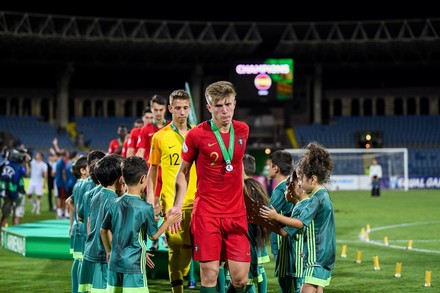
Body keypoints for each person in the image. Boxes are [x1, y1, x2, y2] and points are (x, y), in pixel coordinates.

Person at [169, 81, 251, 292]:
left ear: (234, 103)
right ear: (209, 107)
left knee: (241, 279)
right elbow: (183, 173)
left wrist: (248, 198)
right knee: (210, 274)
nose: (225, 110)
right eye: (218, 106)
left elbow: (238, 168)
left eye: (228, 104)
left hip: (235, 213)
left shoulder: (242, 130)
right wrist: (177, 205)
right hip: (207, 212)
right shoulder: (197, 134)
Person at [262, 141, 335, 293]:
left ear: (313, 179)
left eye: (302, 180)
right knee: (316, 289)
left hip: (317, 255)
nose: (300, 184)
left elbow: (300, 223)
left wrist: (276, 216)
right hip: (322, 255)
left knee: (306, 289)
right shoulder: (321, 195)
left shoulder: (317, 197)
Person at [100, 156, 181, 293]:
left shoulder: (113, 203)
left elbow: (103, 230)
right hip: (134, 265)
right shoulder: (145, 208)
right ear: (143, 179)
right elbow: (154, 236)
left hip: (114, 264)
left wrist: (109, 252)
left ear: (122, 179)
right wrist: (168, 222)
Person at [146, 89, 197, 292]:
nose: (182, 112)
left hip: (197, 201)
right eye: (178, 108)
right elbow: (153, 168)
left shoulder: (198, 134)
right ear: (170, 109)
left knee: (191, 248)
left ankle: (185, 276)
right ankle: (178, 289)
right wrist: (151, 197)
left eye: (186, 108)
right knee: (175, 248)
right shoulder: (159, 137)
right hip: (172, 204)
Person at [78, 154, 125, 293]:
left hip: (90, 252)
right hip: (104, 257)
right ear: (120, 178)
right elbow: (109, 231)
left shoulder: (96, 195)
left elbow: (88, 222)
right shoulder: (115, 201)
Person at [260, 170, 309, 293]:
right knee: (285, 286)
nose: (285, 192)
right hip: (287, 257)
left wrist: (268, 220)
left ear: (297, 188)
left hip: (297, 259)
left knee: (298, 288)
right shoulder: (295, 207)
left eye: (287, 188)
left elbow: (284, 232)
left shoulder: (304, 207)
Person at [136, 94, 170, 249]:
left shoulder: (171, 127)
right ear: (152, 109)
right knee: (154, 207)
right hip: (154, 175)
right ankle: (156, 237)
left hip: (169, 175)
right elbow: (141, 151)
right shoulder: (146, 130)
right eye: (155, 109)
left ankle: (166, 236)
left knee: (168, 207)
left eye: (160, 109)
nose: (158, 113)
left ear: (166, 109)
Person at [266, 150, 294, 293]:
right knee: (294, 280)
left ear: (276, 168)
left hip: (281, 242)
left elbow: (267, 214)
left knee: (286, 284)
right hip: (292, 239)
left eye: (269, 165)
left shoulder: (279, 189)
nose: (268, 169)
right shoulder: (292, 185)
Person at [243, 154, 270, 293]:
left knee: (246, 275)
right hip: (259, 235)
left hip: (248, 236)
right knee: (259, 269)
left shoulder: (244, 187)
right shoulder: (257, 185)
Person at [0, 148, 29, 227]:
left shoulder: (4, 165)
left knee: (5, 215)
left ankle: (1, 234)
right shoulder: (18, 166)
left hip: (6, 192)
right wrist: (26, 162)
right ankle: (15, 235)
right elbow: (26, 173)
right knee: (17, 214)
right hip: (17, 191)